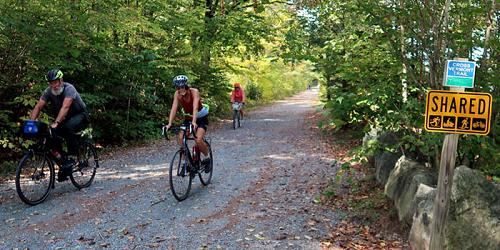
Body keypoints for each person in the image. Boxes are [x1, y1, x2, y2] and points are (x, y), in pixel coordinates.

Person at [30, 69, 89, 182]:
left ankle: (71, 157)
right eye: (51, 83)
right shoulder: (48, 91)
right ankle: (63, 160)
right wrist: (32, 123)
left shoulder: (69, 89)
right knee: (51, 134)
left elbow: (65, 107)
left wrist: (56, 122)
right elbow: (38, 107)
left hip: (79, 114)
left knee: (68, 127)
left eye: (55, 82)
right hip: (64, 117)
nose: (54, 85)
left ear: (61, 80)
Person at [164, 75, 211, 171]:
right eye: (178, 88)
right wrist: (169, 123)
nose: (181, 90)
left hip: (200, 117)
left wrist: (194, 122)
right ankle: (187, 162)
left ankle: (207, 158)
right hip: (188, 118)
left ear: (186, 86)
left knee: (198, 140)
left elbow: (195, 107)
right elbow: (174, 108)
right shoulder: (177, 94)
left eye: (183, 87)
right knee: (181, 138)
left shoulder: (194, 92)